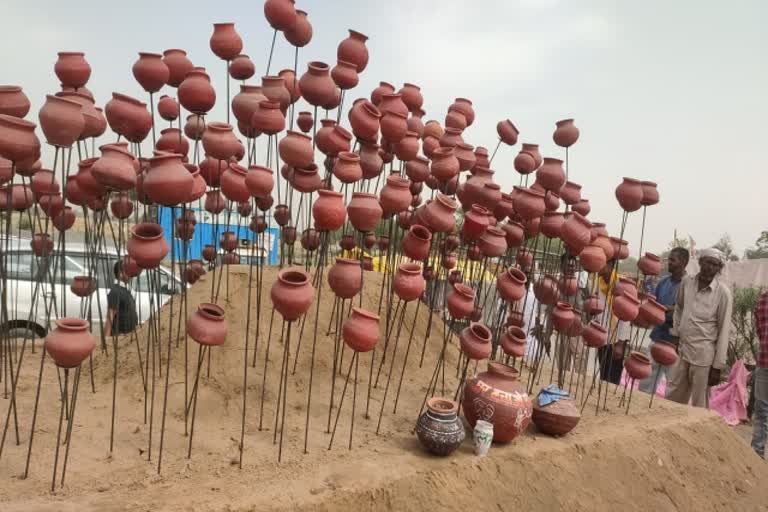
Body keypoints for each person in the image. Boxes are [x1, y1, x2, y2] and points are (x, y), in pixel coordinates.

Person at [666, 248, 732, 408]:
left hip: (704, 358)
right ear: (700, 262)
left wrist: (717, 367)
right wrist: (675, 334)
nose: (711, 268)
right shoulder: (687, 282)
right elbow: (679, 309)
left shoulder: (723, 293)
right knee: (672, 398)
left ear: (719, 269)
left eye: (716, 265)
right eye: (708, 262)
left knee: (700, 405)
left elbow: (724, 330)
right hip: (683, 351)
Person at [639, 247, 689, 395]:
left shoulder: (690, 285)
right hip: (658, 337)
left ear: (684, 263)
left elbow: (687, 312)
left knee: (672, 386)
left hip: (676, 343)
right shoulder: (663, 282)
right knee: (646, 381)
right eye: (669, 260)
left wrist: (668, 309)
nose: (670, 263)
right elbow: (653, 306)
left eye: (673, 260)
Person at [594, 260, 631, 384]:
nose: (596, 266)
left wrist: (620, 344)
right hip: (602, 337)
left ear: (610, 265)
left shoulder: (621, 285)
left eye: (599, 263)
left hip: (617, 340)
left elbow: (627, 316)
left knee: (613, 377)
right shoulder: (598, 283)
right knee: (603, 376)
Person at [752, 290, 768, 459]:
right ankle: (757, 454)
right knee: (761, 410)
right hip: (764, 363)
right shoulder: (763, 299)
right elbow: (759, 330)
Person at [104, 260, 138, 337]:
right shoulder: (115, 291)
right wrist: (106, 340)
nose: (130, 272)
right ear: (120, 273)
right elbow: (110, 317)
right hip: (119, 337)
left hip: (128, 337)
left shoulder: (126, 290)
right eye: (127, 270)